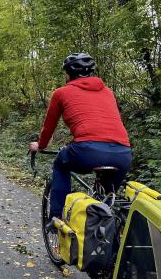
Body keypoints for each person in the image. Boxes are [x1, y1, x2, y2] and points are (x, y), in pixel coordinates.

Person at [29, 53, 132, 221]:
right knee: (107, 201)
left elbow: (49, 126)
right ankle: (110, 233)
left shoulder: (61, 93)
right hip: (123, 154)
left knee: (61, 165)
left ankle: (56, 217)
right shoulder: (108, 92)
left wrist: (40, 145)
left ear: (68, 74)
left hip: (87, 151)